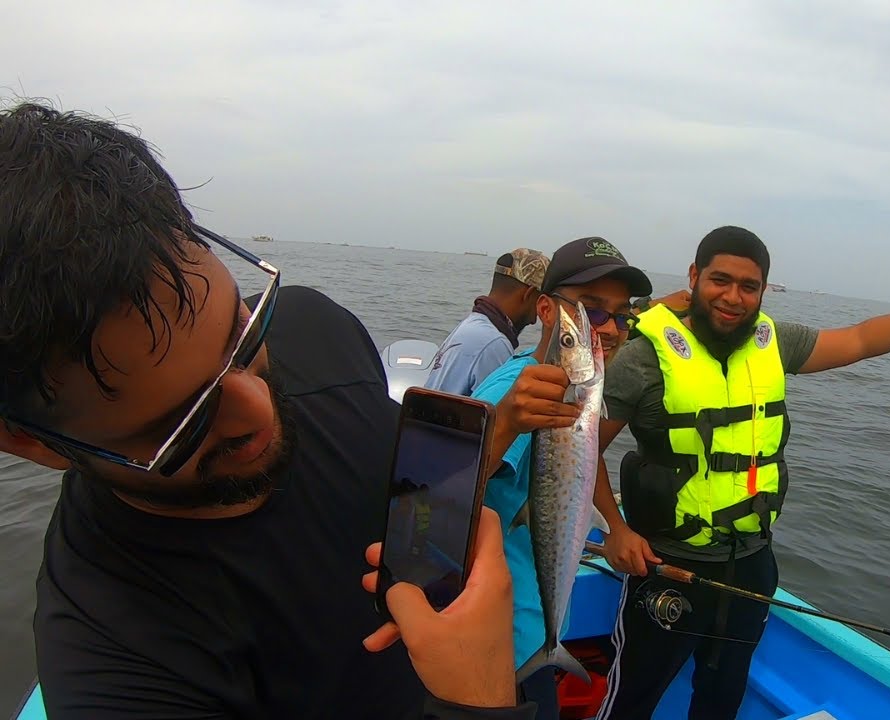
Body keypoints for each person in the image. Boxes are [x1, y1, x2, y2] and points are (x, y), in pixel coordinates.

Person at [0, 102, 581, 719]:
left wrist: (490, 448)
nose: (258, 410)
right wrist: (478, 702)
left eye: (242, 335)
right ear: (32, 443)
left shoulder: (314, 325)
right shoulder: (114, 668)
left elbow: (403, 493)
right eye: (184, 421)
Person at [592, 226, 890, 720]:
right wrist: (616, 528)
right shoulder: (641, 356)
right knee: (632, 698)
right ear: (694, 277)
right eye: (720, 280)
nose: (733, 297)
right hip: (664, 565)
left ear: (762, 291)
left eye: (749, 286)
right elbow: (584, 449)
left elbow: (862, 339)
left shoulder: (774, 343)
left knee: (721, 699)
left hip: (752, 565)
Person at [468, 236, 652, 720]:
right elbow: (441, 497)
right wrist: (505, 421)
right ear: (546, 310)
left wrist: (614, 525)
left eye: (621, 315)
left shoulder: (575, 384)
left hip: (531, 633)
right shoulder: (525, 391)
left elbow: (577, 463)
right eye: (591, 311)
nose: (609, 328)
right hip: (499, 648)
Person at [425, 249, 550, 397]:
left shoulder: (472, 326)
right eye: (538, 304)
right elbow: (496, 412)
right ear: (528, 294)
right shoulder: (494, 343)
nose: (534, 320)